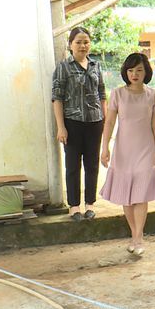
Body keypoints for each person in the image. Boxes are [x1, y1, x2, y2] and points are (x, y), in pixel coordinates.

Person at [100, 53, 155, 256]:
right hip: (123, 150)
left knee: (141, 195)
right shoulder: (118, 94)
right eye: (130, 70)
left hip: (145, 149)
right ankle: (134, 236)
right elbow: (109, 122)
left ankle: (138, 238)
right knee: (126, 197)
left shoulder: (153, 95)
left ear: (146, 72)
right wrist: (104, 148)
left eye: (139, 70)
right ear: (125, 72)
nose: (134, 74)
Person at [52, 27, 107, 221]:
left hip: (95, 122)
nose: (83, 46)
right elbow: (57, 98)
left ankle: (90, 204)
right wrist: (61, 126)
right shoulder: (63, 67)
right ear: (70, 45)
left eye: (86, 42)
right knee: (73, 165)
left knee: (92, 165)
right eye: (78, 42)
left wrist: (105, 121)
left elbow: (102, 94)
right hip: (72, 123)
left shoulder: (96, 65)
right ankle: (74, 207)